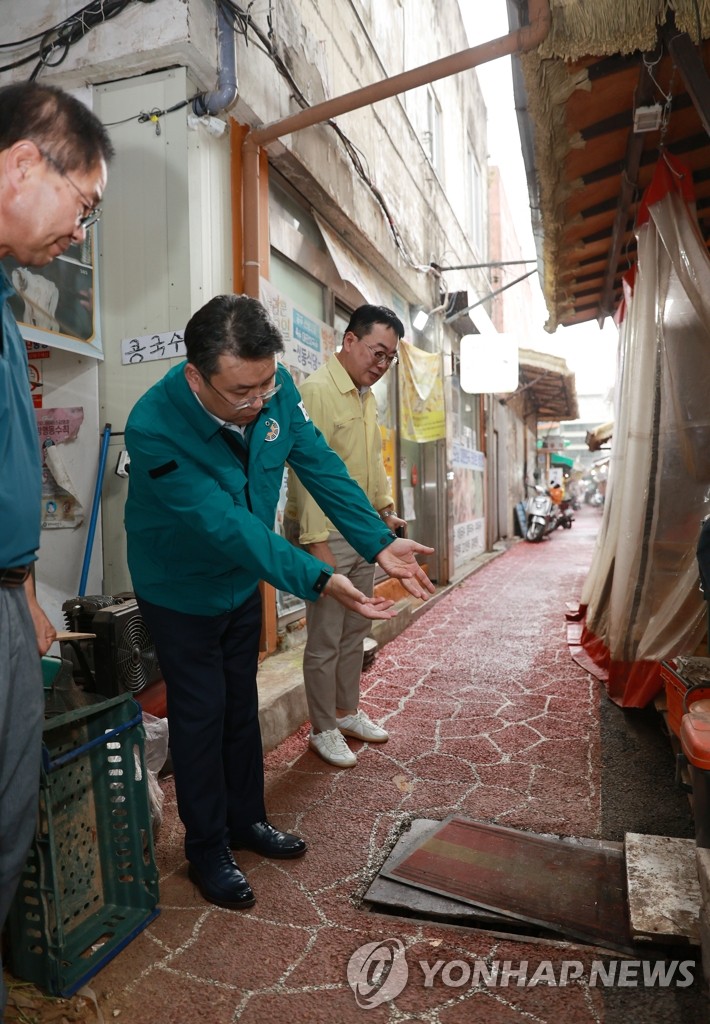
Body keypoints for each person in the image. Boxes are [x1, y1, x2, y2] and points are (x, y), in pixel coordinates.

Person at [124, 293, 434, 912]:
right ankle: (207, 847)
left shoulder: (274, 388)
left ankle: (247, 821)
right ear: (196, 376)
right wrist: (319, 580)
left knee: (239, 704)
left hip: (242, 583)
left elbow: (318, 464)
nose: (258, 400)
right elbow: (227, 528)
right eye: (242, 390)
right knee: (201, 713)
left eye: (267, 383)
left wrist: (378, 542)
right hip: (180, 590)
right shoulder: (154, 426)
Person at [0, 82, 112, 1021]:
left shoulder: (3, 296)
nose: (82, 233)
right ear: (25, 163)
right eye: (85, 207)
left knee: (10, 818)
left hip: (5, 599)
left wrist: (24, 589)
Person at [284, 305, 408, 767]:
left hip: (364, 531)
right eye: (376, 352)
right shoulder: (316, 391)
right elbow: (307, 472)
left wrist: (385, 512)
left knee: (356, 628)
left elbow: (371, 462)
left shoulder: (364, 394)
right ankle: (323, 728)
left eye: (388, 359)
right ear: (349, 341)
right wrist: (316, 543)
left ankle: (347, 711)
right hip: (328, 534)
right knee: (325, 637)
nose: (380, 365)